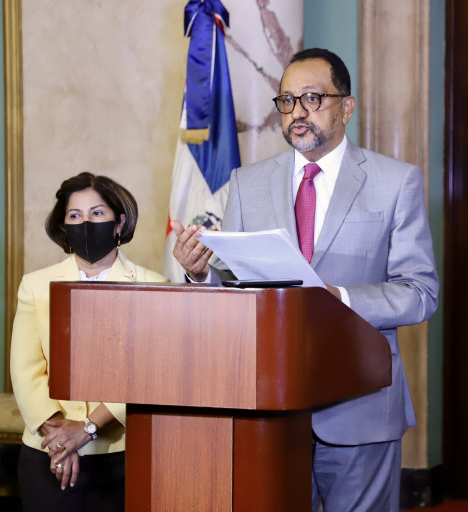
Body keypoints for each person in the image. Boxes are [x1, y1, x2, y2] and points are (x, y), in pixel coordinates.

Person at [171, 48, 438, 512]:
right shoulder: (248, 182)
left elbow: (420, 294)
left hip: (360, 403)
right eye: (287, 100)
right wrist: (200, 273)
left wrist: (337, 298)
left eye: (312, 98)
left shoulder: (396, 182)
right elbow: (231, 285)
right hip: (269, 406)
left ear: (346, 107)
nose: (297, 112)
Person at [10, 172, 168, 511]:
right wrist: (59, 440)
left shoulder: (154, 285)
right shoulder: (35, 285)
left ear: (118, 222)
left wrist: (86, 429)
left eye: (97, 213)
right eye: (75, 215)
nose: (86, 222)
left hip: (123, 452)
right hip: (47, 452)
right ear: (63, 226)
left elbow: (149, 373)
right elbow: (25, 370)